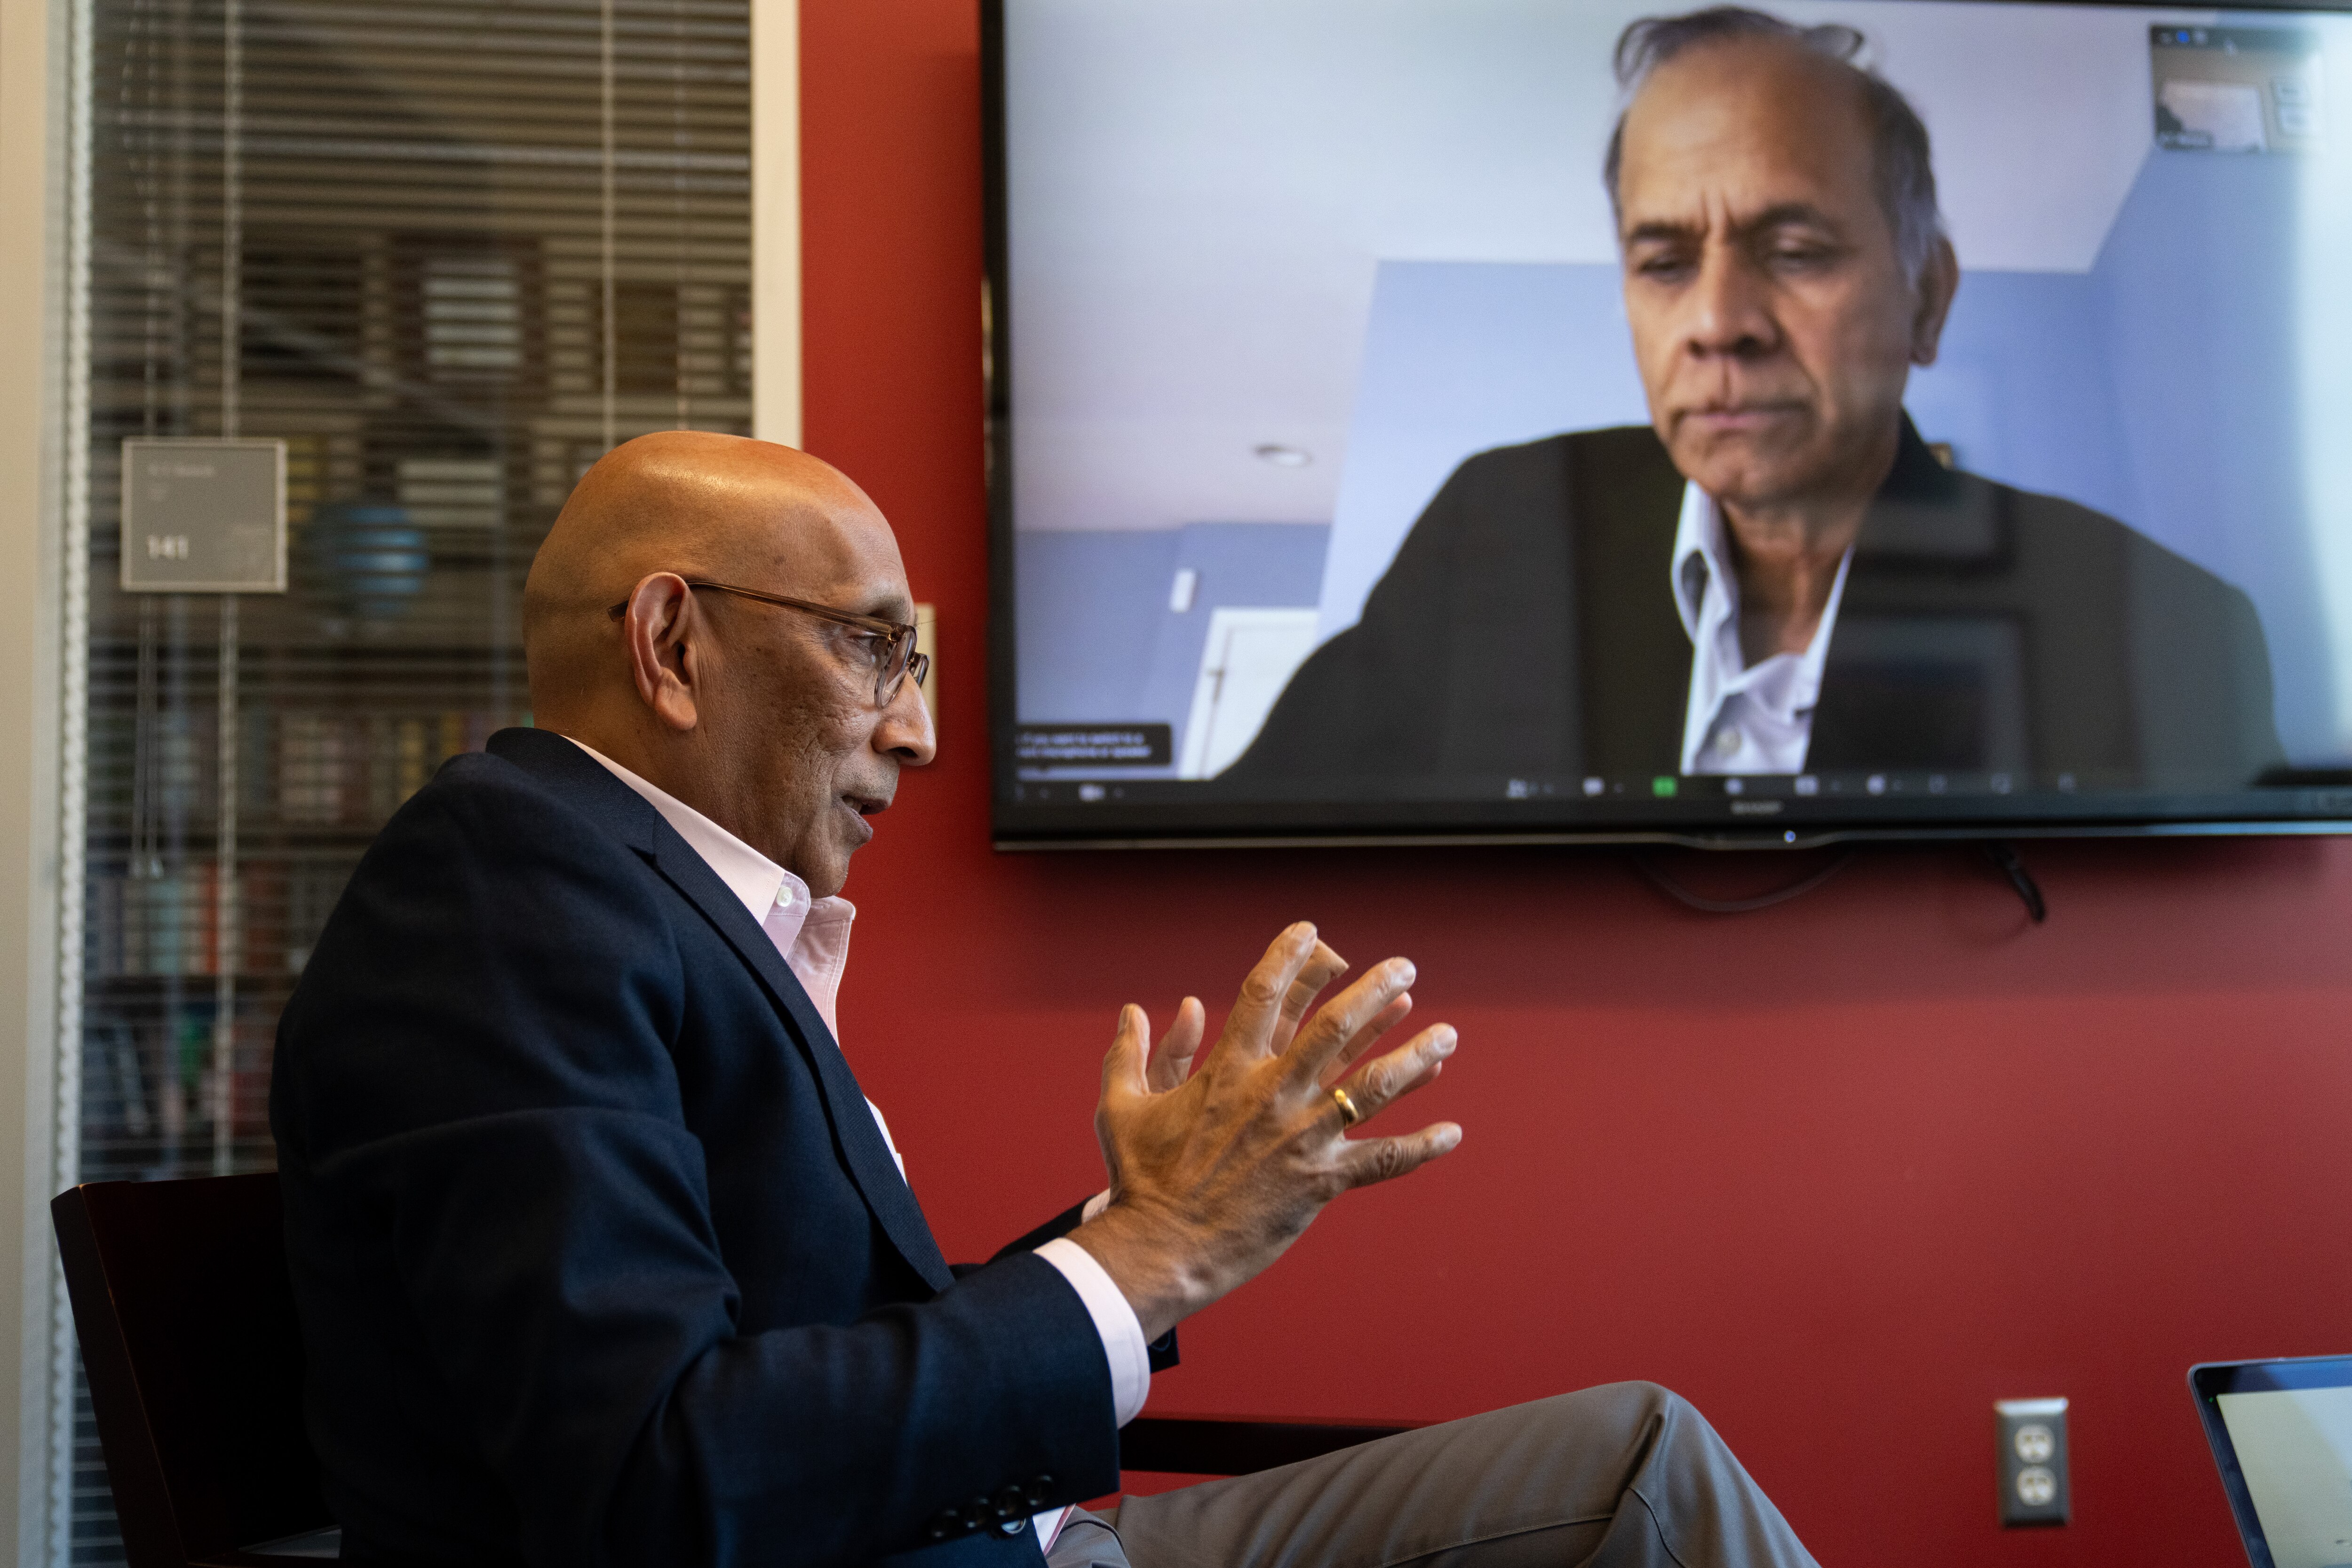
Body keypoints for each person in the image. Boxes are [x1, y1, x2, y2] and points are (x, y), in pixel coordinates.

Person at [270, 429, 1822, 1568]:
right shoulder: (505, 883)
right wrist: (1150, 1252)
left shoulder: (618, 893)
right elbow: (659, 1479)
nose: (922, 733)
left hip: (1011, 1543)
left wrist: (1141, 1243)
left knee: (1638, 1456)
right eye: (876, 649)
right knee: (1645, 1476)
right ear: (673, 642)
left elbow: (809, 1353)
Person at [1222, 6, 2282, 796]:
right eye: (1666, 262)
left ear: (1928, 296)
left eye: (1794, 251)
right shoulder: (1491, 525)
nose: (1719, 321)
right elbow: (1253, 857)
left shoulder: (2171, 634)